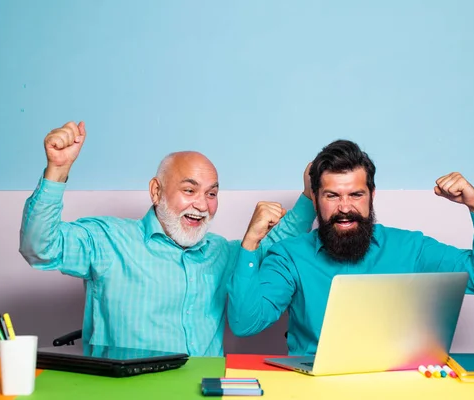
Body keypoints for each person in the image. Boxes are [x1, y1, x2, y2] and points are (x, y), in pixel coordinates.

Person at [19, 121, 316, 356]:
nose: (202, 205)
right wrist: (57, 170)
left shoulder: (222, 253)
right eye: (189, 190)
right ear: (156, 191)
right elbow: (40, 248)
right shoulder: (108, 240)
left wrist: (308, 195)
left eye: (211, 194)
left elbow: (271, 247)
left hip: (205, 389)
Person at [227, 139, 474, 356]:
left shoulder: (410, 248)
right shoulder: (290, 255)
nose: (345, 207)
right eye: (332, 196)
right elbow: (245, 323)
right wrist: (250, 243)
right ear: (314, 198)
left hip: (394, 385)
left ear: (371, 195)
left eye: (356, 194)